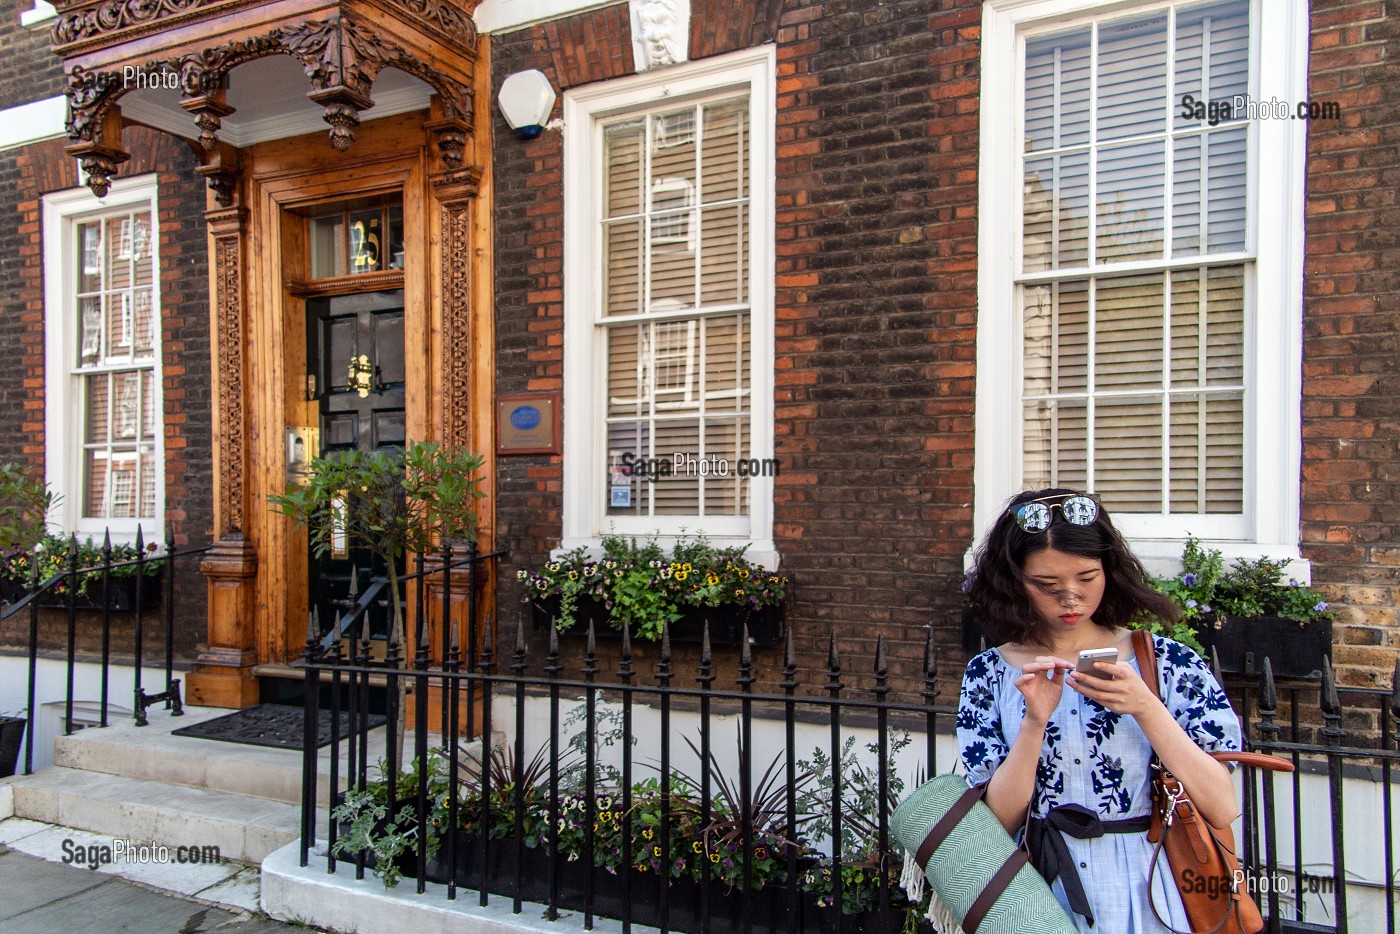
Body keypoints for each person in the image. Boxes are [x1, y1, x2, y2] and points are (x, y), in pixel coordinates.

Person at [956, 488, 1242, 932]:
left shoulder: (1169, 664)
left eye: (1087, 577)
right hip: (1039, 892)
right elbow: (999, 822)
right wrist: (1034, 723)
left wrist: (1146, 707)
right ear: (1014, 581)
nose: (1071, 597)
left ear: (1109, 569)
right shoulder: (989, 674)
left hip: (1152, 888)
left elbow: (1222, 805)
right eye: (1047, 585)